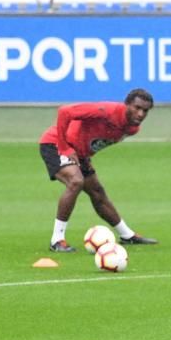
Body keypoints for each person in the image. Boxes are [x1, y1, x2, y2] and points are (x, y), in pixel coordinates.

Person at [40, 88, 158, 252]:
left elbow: (93, 138)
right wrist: (64, 147)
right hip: (55, 144)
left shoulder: (132, 128)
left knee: (97, 192)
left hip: (79, 154)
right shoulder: (105, 111)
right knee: (76, 181)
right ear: (126, 105)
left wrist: (84, 157)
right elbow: (64, 111)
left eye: (145, 110)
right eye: (137, 108)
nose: (140, 114)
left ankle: (127, 236)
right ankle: (57, 240)